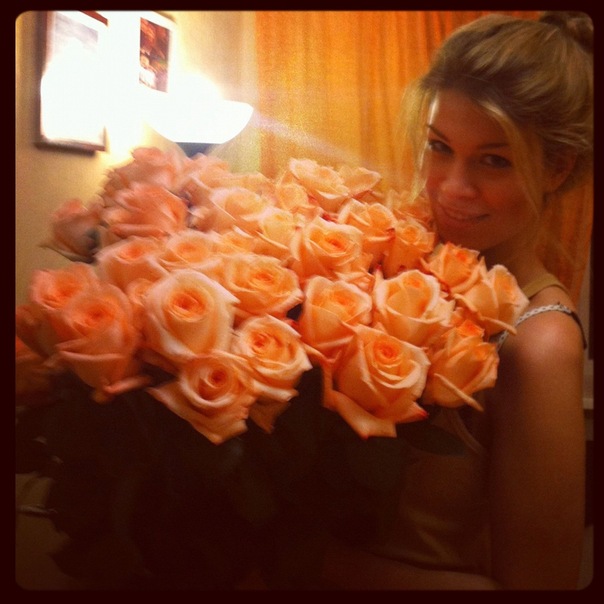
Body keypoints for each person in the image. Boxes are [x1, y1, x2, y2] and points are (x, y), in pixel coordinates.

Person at [320, 11, 593, 590]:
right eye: (440, 147)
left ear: (556, 169)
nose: (450, 186)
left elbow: (539, 587)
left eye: (494, 160)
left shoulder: (540, 343)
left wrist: (308, 565)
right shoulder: (399, 271)